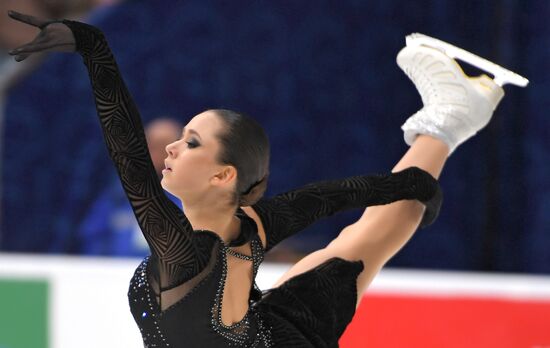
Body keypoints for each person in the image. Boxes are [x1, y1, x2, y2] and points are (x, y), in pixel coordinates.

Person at [6, 11, 504, 348]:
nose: (174, 147)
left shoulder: (185, 249)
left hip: (260, 335)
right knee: (353, 246)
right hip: (260, 335)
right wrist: (410, 186)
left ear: (224, 175)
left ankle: (451, 119)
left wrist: (94, 49)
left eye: (192, 141)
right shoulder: (251, 224)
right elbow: (328, 197)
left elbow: (128, 153)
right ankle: (448, 121)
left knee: (355, 245)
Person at [77, 117, 183, 257]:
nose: (149, 153)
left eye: (159, 146)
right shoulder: (117, 195)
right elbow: (92, 239)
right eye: (146, 144)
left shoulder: (191, 200)